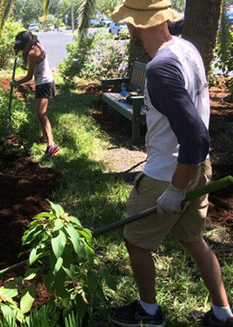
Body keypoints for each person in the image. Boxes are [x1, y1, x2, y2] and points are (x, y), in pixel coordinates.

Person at [107, 1, 233, 327]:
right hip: (199, 168)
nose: (127, 28)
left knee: (135, 239)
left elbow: (195, 137)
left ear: (138, 23)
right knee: (193, 239)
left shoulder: (159, 68)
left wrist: (175, 190)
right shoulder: (185, 48)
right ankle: (222, 313)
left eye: (129, 22)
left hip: (169, 172)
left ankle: (149, 313)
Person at [12, 31, 60, 157]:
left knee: (41, 114)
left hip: (45, 83)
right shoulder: (36, 44)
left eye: (23, 46)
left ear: (29, 43)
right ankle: (45, 138)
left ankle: (51, 145)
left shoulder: (33, 53)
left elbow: (29, 76)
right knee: (40, 114)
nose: (22, 49)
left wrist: (16, 83)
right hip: (43, 82)